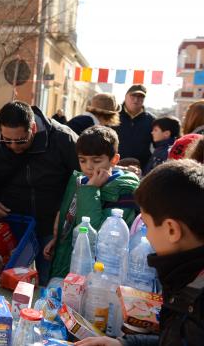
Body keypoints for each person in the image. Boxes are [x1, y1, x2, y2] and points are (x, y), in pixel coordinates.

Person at [76, 159, 204, 346]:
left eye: (147, 224)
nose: (147, 236)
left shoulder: (196, 295)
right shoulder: (186, 276)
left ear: (171, 230)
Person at [0, 101, 80, 285]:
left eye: (21, 140)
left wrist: (66, 213)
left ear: (33, 127)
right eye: (7, 140)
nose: (13, 146)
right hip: (10, 226)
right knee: (2, 283)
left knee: (48, 282)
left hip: (51, 227)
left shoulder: (63, 139)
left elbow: (81, 179)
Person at [45, 126, 140, 279]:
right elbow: (71, 221)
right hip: (67, 263)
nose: (88, 166)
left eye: (96, 160)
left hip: (97, 275)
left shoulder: (123, 189)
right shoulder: (80, 180)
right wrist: (58, 242)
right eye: (82, 160)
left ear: (114, 160)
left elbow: (94, 234)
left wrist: (91, 190)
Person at [115, 85, 156, 169]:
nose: (136, 99)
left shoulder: (151, 120)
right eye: (133, 95)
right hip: (114, 167)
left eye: (140, 96)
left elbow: (159, 145)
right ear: (126, 96)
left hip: (141, 168)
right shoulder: (113, 116)